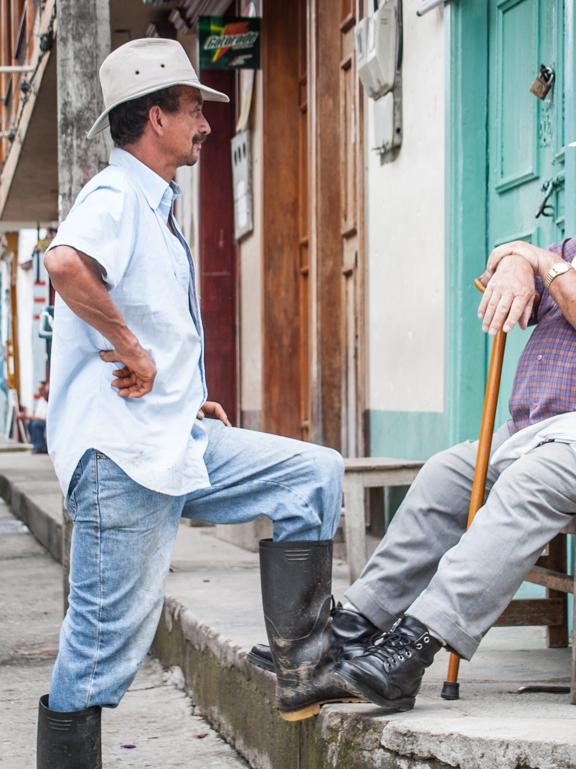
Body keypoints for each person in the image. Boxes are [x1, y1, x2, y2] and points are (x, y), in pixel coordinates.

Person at [253, 90, 576, 711]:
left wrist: (537, 259)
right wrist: (514, 258)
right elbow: (518, 275)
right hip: (569, 434)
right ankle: (353, 627)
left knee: (532, 479)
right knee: (449, 473)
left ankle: (414, 646)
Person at [36, 39, 349, 769]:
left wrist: (184, 397)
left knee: (314, 473)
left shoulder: (155, 205)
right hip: (124, 460)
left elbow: (152, 315)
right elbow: (64, 263)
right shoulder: (116, 195)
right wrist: (134, 351)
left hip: (174, 440)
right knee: (100, 650)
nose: (208, 124)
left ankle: (303, 668)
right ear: (155, 118)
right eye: (192, 111)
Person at [28, 381, 49, 454]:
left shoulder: (48, 400)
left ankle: (40, 446)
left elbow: (44, 417)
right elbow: (37, 414)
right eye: (38, 389)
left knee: (36, 424)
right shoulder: (41, 400)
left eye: (41, 389)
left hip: (46, 421)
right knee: (29, 424)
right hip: (39, 420)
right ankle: (35, 445)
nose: (39, 391)